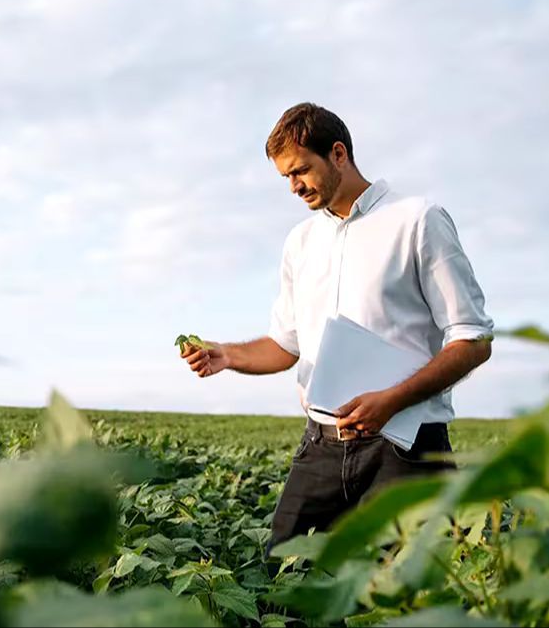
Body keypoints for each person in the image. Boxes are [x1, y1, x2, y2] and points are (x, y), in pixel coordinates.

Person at [180, 102, 494, 549]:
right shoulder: (301, 242)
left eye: (300, 170)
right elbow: (287, 345)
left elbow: (473, 338)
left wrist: (391, 400)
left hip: (407, 450)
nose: (294, 186)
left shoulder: (418, 220)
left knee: (407, 585)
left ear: (339, 154)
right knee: (283, 572)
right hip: (322, 447)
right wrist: (227, 355)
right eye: (286, 177)